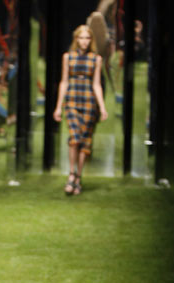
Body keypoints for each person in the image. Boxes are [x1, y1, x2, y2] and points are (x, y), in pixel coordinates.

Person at [53, 25, 108, 195]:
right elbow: (64, 81)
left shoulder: (96, 59)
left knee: (85, 141)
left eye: (87, 38)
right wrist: (58, 106)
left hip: (89, 102)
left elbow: (97, 84)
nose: (84, 41)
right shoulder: (68, 57)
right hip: (72, 100)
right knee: (74, 138)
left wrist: (102, 107)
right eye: (81, 38)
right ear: (76, 39)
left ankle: (78, 177)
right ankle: (71, 173)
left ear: (91, 40)